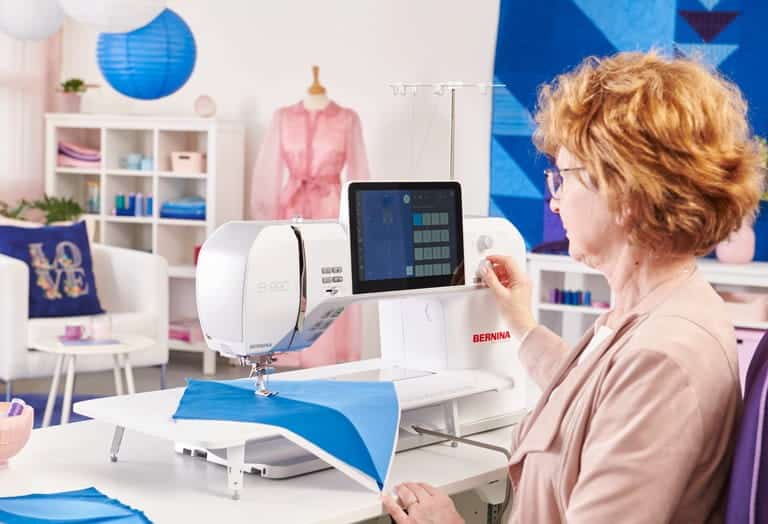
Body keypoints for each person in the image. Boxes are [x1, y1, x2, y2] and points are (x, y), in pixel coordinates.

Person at [383, 50, 763, 523]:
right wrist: (522, 324)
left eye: (564, 178)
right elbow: (596, 392)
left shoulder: (663, 356)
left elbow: (629, 384)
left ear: (626, 193)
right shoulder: (656, 308)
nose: (555, 201)